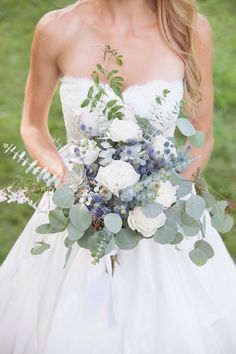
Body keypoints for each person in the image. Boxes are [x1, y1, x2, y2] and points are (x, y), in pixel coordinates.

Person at [0, 1, 236, 353]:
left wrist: (165, 198)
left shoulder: (189, 28)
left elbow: (201, 133)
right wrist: (71, 185)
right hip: (80, 210)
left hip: (163, 214)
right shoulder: (56, 28)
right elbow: (32, 126)